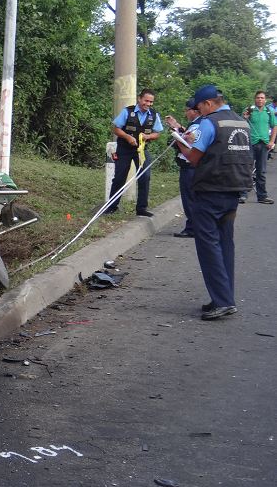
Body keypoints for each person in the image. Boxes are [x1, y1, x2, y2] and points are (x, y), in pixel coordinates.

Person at [173, 85, 253, 320]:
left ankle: (223, 301)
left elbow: (193, 157)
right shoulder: (241, 122)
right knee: (225, 244)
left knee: (209, 246)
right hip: (234, 190)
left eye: (199, 108)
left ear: (208, 103)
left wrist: (179, 140)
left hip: (210, 190)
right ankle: (223, 296)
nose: (199, 113)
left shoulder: (210, 122)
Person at [105, 88, 164, 216]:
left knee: (145, 176)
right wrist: (128, 137)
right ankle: (111, 207)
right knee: (120, 177)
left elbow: (157, 133)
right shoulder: (128, 111)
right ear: (139, 99)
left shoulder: (154, 114)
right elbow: (116, 129)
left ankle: (141, 208)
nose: (148, 104)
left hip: (141, 150)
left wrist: (148, 137)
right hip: (124, 148)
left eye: (151, 102)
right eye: (146, 101)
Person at [164, 99, 201, 237]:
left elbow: (189, 142)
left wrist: (177, 138)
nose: (186, 113)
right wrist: (177, 127)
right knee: (193, 198)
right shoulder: (197, 124)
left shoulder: (198, 125)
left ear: (194, 111)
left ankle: (192, 228)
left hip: (190, 166)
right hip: (193, 166)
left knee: (189, 198)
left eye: (187, 110)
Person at [240, 91, 276, 204]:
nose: (260, 99)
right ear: (255, 99)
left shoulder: (269, 111)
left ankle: (262, 196)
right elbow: (241, 125)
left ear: (265, 100)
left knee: (261, 171)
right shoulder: (249, 110)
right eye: (258, 98)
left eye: (262, 98)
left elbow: (274, 126)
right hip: (250, 143)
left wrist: (271, 141)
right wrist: (245, 118)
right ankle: (243, 195)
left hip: (264, 144)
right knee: (247, 169)